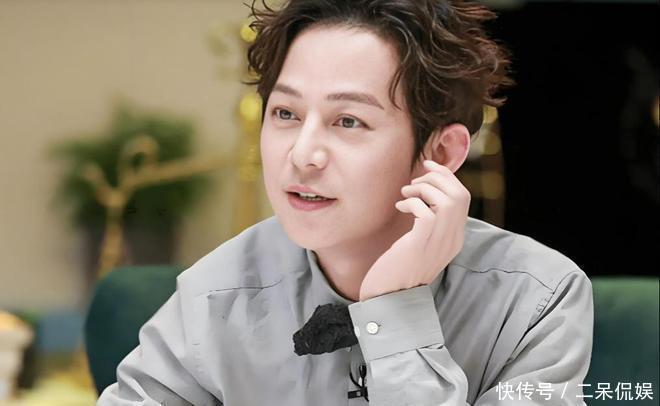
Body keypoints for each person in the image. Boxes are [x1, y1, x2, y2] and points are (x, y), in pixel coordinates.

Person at [97, 0, 594, 405]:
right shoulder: (216, 294)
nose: (302, 154)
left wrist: (394, 312)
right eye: (286, 113)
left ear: (441, 153)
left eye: (348, 121)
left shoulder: (535, 300)